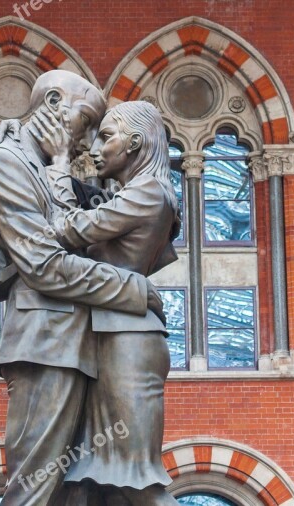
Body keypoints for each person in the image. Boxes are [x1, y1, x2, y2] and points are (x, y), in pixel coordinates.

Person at [0, 70, 166, 505]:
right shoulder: (6, 164)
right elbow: (45, 266)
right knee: (34, 489)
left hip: (87, 345)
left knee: (81, 491)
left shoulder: (42, 166)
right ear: (56, 102)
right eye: (89, 120)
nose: (89, 139)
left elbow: (105, 217)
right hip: (47, 346)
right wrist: (134, 289)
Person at [30, 101, 181, 505]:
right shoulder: (133, 194)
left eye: (107, 136)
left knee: (134, 477)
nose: (96, 148)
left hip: (127, 341)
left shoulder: (149, 191)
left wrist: (60, 165)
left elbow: (66, 230)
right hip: (105, 338)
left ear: (134, 143)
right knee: (87, 481)